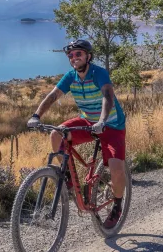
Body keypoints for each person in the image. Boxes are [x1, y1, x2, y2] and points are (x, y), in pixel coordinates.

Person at [26, 39, 127, 229]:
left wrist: (102, 120)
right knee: (56, 134)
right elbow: (53, 96)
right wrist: (36, 116)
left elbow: (107, 96)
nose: (74, 58)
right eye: (71, 55)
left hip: (111, 124)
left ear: (88, 56)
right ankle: (70, 181)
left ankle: (118, 206)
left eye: (78, 54)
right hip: (88, 122)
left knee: (116, 168)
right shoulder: (71, 76)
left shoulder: (99, 73)